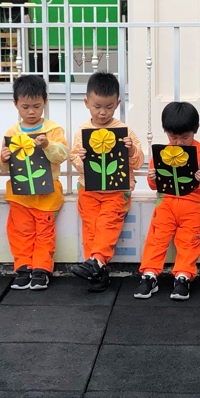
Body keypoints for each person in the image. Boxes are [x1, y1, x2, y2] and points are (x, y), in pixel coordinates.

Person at [133, 101, 200, 300]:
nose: (179, 142)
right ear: (166, 132)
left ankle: (183, 276)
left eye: (185, 137)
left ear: (194, 131)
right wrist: (152, 178)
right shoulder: (162, 152)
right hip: (166, 203)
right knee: (156, 239)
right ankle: (149, 274)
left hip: (193, 205)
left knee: (189, 241)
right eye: (174, 137)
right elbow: (153, 185)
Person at [69, 71, 144, 292]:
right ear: (86, 103)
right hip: (88, 189)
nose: (103, 112)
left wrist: (131, 150)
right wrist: (81, 159)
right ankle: (97, 271)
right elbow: (74, 160)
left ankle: (96, 262)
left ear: (118, 103)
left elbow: (139, 161)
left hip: (116, 190)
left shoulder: (124, 131)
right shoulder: (82, 131)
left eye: (109, 107)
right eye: (97, 106)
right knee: (91, 228)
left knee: (107, 224)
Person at [0, 74, 68, 291]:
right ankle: (23, 268)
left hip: (46, 194)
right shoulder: (12, 132)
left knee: (44, 233)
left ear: (45, 102)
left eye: (37, 106)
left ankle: (41, 269)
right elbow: (4, 169)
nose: (31, 112)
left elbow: (62, 155)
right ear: (16, 104)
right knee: (20, 232)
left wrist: (48, 145)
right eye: (25, 107)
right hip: (20, 195)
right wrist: (4, 158)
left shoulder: (53, 130)